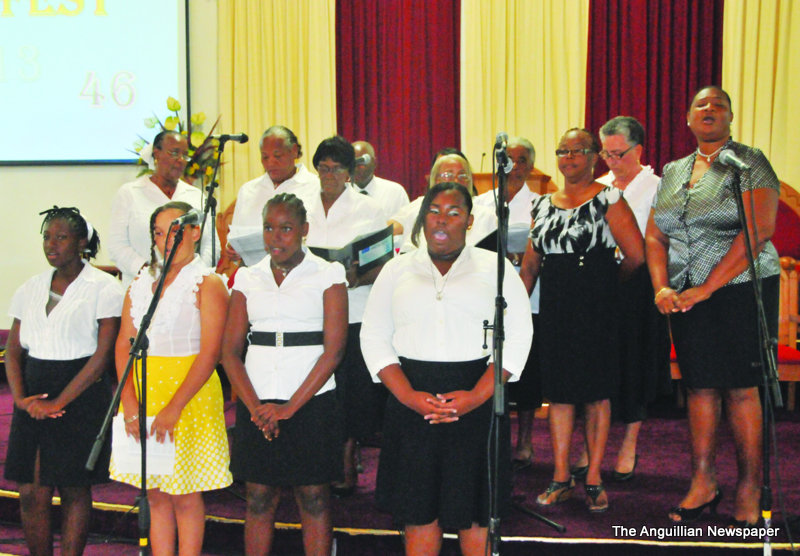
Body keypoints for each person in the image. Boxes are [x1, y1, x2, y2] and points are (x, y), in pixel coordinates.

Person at [360, 182, 532, 555]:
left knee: (475, 513)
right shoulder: (396, 269)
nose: (442, 220)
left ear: (469, 222)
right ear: (422, 219)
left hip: (476, 397)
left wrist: (476, 396)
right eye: (434, 210)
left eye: (454, 212)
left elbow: (518, 336)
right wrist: (406, 395)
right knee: (419, 512)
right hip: (411, 400)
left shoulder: (495, 268)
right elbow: (373, 336)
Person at [646, 86, 780, 527]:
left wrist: (708, 288)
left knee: (740, 388)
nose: (709, 109)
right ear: (687, 118)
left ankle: (749, 485)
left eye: (718, 105)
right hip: (684, 293)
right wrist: (661, 287)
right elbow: (655, 235)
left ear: (730, 117)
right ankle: (703, 481)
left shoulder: (748, 162)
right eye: (700, 104)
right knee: (700, 386)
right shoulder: (673, 170)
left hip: (742, 286)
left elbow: (758, 229)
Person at [519, 128, 644, 513]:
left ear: (594, 157)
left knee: (595, 394)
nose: (569, 157)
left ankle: (592, 478)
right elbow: (530, 265)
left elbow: (636, 256)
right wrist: (517, 308)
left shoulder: (609, 198)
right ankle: (560, 478)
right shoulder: (540, 205)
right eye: (562, 151)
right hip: (556, 308)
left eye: (578, 150)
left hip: (598, 307)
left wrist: (605, 287)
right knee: (558, 394)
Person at [221, 193, 348, 556]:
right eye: (268, 228)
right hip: (256, 402)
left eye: (286, 229)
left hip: (312, 402)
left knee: (315, 498)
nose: (275, 237)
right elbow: (229, 352)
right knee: (259, 497)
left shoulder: (328, 273)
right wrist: (256, 407)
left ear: (305, 230)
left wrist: (290, 407)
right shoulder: (247, 276)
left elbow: (335, 349)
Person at [110, 201, 232, 555]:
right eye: (159, 233)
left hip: (188, 394)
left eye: (175, 232)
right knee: (154, 490)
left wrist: (175, 406)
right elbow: (123, 343)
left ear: (195, 232)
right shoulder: (142, 280)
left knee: (184, 491)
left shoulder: (207, 283)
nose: (167, 241)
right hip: (143, 387)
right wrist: (128, 401)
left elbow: (211, 353)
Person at [5, 206, 123, 556]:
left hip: (81, 393)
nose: (51, 244)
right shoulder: (30, 288)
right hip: (34, 390)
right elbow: (12, 351)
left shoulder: (104, 287)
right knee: (31, 490)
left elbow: (102, 358)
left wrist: (59, 402)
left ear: (82, 242)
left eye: (61, 236)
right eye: (46, 236)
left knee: (73, 487)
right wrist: (22, 400)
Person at [571, 117, 671, 481]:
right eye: (606, 154)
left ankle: (629, 444)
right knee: (597, 368)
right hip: (600, 286)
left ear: (639, 151)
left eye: (619, 154)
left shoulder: (658, 187)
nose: (611, 161)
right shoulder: (598, 188)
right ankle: (590, 444)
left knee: (635, 364)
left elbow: (659, 242)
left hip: (640, 285)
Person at [305, 135, 388, 496]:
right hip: (310, 311)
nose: (329, 175)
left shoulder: (367, 208)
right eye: (323, 168)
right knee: (316, 387)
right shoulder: (302, 205)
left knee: (349, 390)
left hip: (354, 308)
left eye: (337, 168)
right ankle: (318, 459)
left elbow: (382, 260)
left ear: (350, 173)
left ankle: (347, 457)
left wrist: (355, 275)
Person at [474, 136, 542, 469]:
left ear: (531, 165)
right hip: (483, 298)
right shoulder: (479, 203)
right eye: (508, 160)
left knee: (525, 372)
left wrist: (519, 255)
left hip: (528, 298)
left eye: (521, 160)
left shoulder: (541, 204)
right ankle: (488, 434)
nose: (514, 166)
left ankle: (525, 440)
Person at [108, 130, 218, 286]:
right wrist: (150, 272)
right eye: (174, 153)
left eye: (185, 155)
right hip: (142, 285)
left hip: (189, 287)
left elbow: (211, 245)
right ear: (156, 153)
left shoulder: (195, 196)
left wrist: (194, 275)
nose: (180, 160)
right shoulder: (129, 193)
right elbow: (117, 246)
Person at [225, 125, 320, 263]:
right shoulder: (248, 190)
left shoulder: (315, 186)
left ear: (293, 151)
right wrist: (233, 250)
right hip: (255, 274)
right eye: (265, 157)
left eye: (277, 156)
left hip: (299, 271)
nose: (270, 163)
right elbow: (236, 238)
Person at [391, 153, 497, 252]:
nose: (456, 181)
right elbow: (392, 230)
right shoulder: (420, 208)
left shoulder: (488, 216)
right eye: (448, 175)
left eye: (462, 176)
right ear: (435, 180)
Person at [351, 140, 410, 221]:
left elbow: (406, 225)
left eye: (362, 161)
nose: (357, 167)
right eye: (353, 162)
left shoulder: (395, 192)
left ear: (374, 163)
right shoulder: (340, 194)